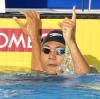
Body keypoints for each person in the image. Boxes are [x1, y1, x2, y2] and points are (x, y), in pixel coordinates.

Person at [13, 7, 94, 75]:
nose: (52, 56)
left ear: (69, 56)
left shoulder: (70, 79)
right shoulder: (36, 78)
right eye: (46, 50)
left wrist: (71, 42)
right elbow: (37, 75)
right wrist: (34, 39)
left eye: (60, 51)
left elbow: (84, 78)